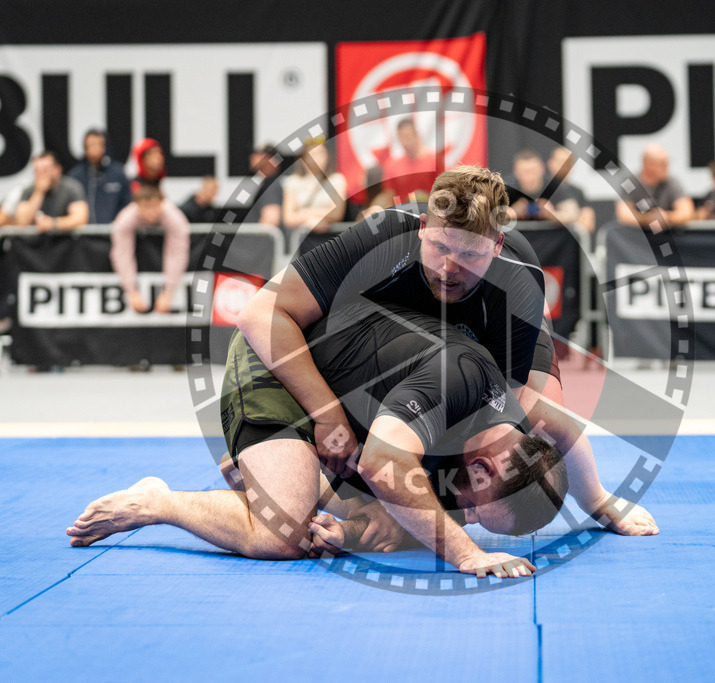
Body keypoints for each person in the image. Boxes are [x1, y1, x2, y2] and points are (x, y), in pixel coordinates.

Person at [234, 164, 658, 545]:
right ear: (423, 227)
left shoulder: (519, 281)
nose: (449, 267)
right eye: (440, 247)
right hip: (378, 344)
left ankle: (597, 497)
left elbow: (509, 411)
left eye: (470, 254)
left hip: (478, 342)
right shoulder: (384, 237)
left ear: (497, 245)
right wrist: (327, 414)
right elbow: (259, 314)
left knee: (521, 436)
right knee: (390, 451)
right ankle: (291, 465)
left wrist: (597, 500)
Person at [69, 302, 569, 576]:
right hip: (282, 364)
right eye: (477, 508)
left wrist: (347, 534)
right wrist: (468, 554)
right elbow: (384, 474)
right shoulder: (455, 383)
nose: (468, 516)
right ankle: (159, 501)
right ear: (483, 468)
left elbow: (398, 520)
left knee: (411, 514)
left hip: (349, 408)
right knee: (282, 536)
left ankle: (280, 472)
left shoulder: (515, 438)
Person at [110, 185, 190, 314]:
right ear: (136, 205)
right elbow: (122, 255)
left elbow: (177, 254)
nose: (150, 212)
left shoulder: (175, 219)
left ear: (162, 203)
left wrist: (169, 292)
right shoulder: (124, 219)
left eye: (154, 206)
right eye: (145, 207)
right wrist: (131, 291)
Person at [615, 144, 694, 228]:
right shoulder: (631, 183)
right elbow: (624, 215)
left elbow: (686, 212)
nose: (666, 167)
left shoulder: (672, 183)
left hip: (667, 233)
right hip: (637, 234)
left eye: (667, 163)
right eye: (661, 163)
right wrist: (648, 219)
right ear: (646, 164)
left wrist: (667, 217)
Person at [67, 128, 131, 224]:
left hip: (113, 229)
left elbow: (126, 203)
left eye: (98, 144)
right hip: (83, 231)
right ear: (85, 148)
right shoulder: (76, 175)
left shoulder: (118, 173)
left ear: (105, 147)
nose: (95, 149)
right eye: (91, 145)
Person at [14, 151, 88, 232]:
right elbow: (22, 222)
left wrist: (53, 224)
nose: (41, 174)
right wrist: (39, 192)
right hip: (36, 239)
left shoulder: (71, 188)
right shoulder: (28, 191)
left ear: (57, 169)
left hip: (64, 238)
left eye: (45, 170)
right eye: (37, 171)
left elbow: (80, 219)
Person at [281, 139, 347, 231]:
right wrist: (310, 220)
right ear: (304, 158)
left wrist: (306, 213)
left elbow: (337, 213)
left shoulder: (336, 179)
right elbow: (288, 218)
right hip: (301, 236)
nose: (319, 158)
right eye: (314, 154)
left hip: (330, 234)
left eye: (321, 153)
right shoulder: (293, 181)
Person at [378, 117, 436, 204]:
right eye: (401, 138)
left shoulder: (434, 162)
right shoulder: (392, 166)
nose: (405, 142)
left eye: (407, 136)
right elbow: (388, 196)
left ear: (416, 135)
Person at [547, 146, 596, 231]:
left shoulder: (578, 192)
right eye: (560, 162)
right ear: (550, 163)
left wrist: (555, 216)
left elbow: (587, 223)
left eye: (568, 163)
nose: (564, 166)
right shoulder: (541, 189)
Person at [249, 144, 283, 228]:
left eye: (260, 154)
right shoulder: (269, 184)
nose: (254, 158)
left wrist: (256, 235)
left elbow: (271, 221)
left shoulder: (271, 186)